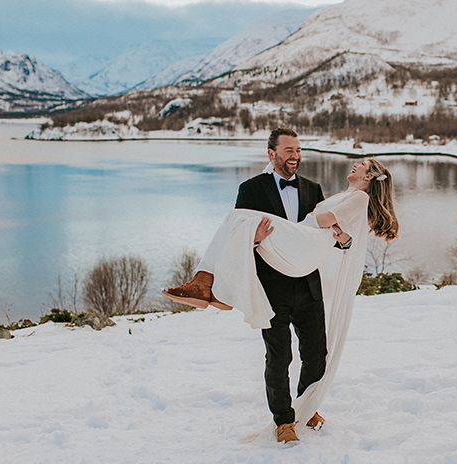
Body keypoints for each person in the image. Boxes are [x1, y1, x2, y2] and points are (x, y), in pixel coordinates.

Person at [163, 130, 398, 445]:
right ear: (271, 153)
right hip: (272, 287)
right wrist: (255, 239)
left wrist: (343, 238)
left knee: (316, 355)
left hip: (307, 284)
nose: (295, 156)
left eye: (299, 150)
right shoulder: (251, 189)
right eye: (289, 150)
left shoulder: (314, 189)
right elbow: (239, 239)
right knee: (279, 357)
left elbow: (325, 236)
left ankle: (306, 405)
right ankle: (285, 421)